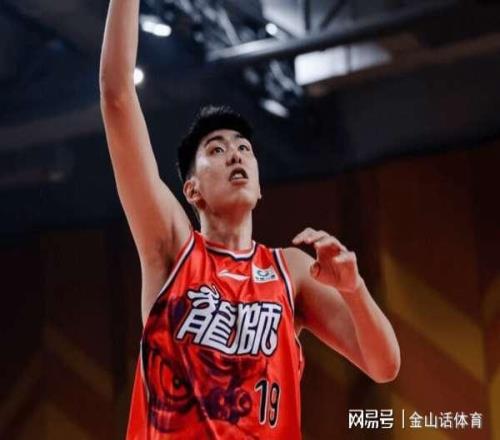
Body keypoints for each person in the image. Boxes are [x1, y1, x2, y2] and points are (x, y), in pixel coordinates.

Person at [99, 1, 401, 439]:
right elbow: (116, 95)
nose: (235, 154)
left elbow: (384, 365)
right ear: (192, 190)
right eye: (217, 150)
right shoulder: (173, 249)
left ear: (259, 188)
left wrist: (355, 290)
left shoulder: (291, 270)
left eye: (244, 148)